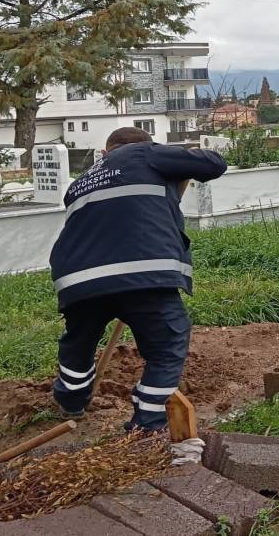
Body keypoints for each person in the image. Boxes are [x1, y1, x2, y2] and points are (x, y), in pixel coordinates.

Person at [49, 127, 227, 431]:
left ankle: (71, 401)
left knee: (78, 342)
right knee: (167, 342)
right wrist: (181, 158)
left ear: (105, 153)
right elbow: (214, 163)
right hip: (143, 271)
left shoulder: (81, 182)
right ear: (150, 146)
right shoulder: (145, 152)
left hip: (78, 278)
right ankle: (148, 421)